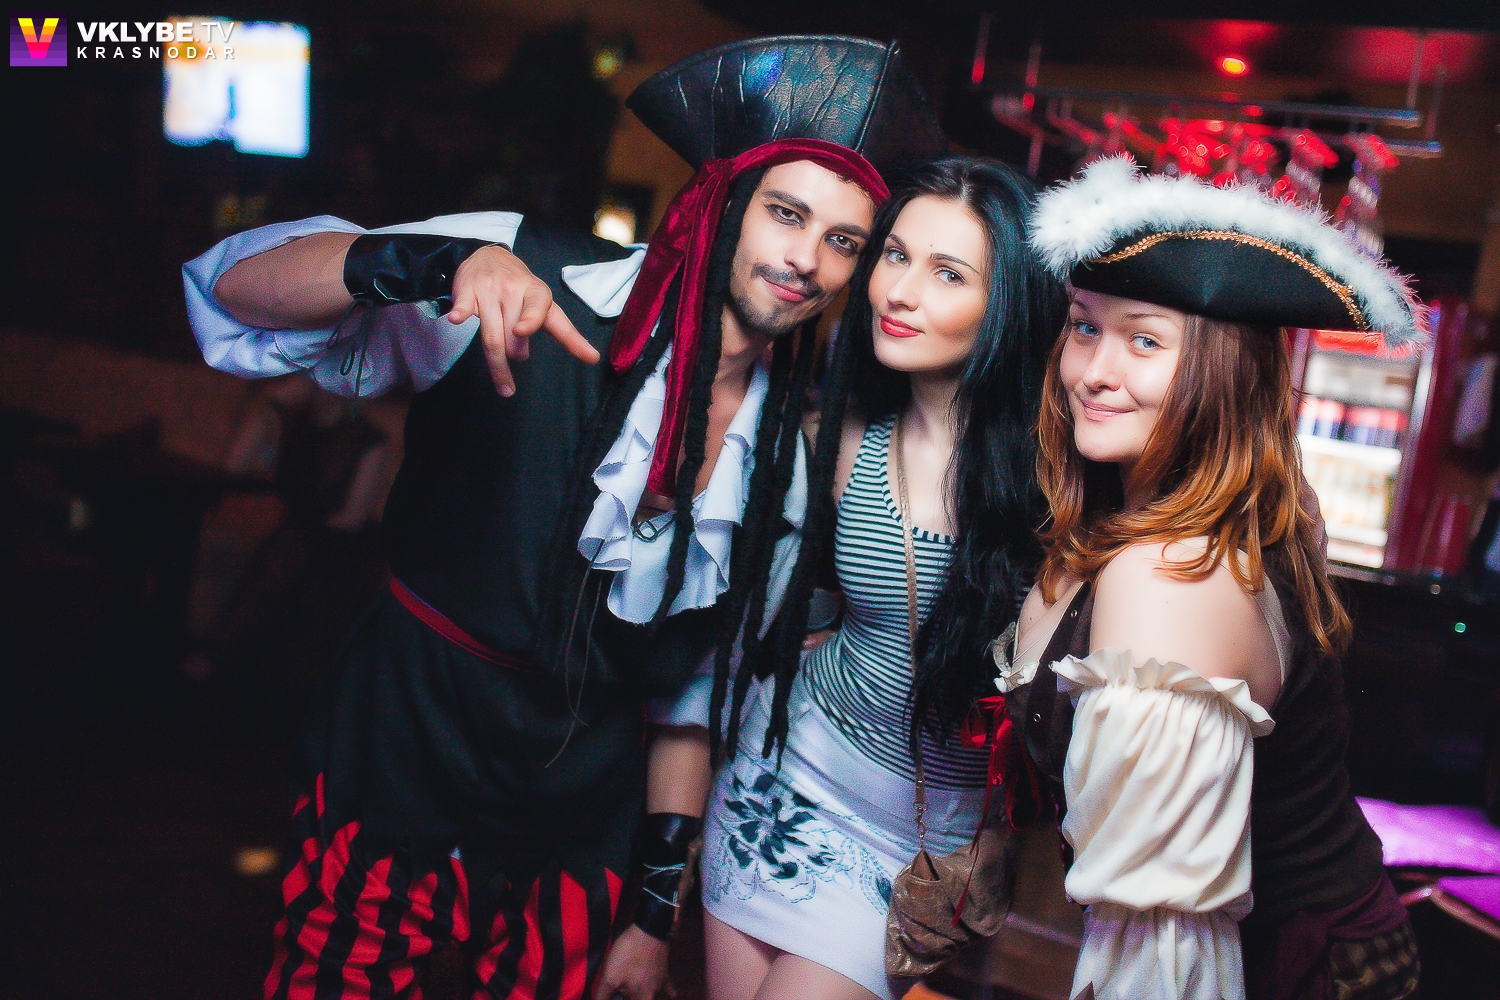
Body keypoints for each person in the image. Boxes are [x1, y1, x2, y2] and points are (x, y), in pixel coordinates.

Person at [181, 36, 946, 1000]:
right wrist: (438, 262)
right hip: (408, 736)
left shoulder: (788, 466)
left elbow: (685, 704)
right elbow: (234, 292)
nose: (806, 259)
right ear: (721, 201)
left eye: (843, 241)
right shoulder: (528, 267)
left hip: (585, 807)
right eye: (787, 214)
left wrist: (653, 915)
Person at [612, 158, 1066, 1000]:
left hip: (916, 838)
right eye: (894, 256)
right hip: (780, 781)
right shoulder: (839, 438)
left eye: (949, 273)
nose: (900, 292)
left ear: (1006, 304)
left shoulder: (1062, 481)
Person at [995, 156, 1424, 1000]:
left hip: (1296, 967)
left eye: (1145, 340)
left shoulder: (1169, 574)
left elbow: (1162, 950)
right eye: (1084, 327)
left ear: (1222, 372)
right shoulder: (1167, 512)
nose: (1093, 372)